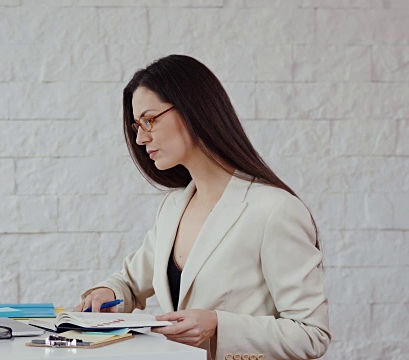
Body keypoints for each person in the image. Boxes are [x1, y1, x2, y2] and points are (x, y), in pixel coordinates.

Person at [74, 55, 331, 360]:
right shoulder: (173, 208)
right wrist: (107, 293)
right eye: (136, 125)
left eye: (149, 119)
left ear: (192, 110)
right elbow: (129, 281)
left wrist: (218, 325)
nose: (141, 138)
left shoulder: (274, 210)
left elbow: (312, 334)